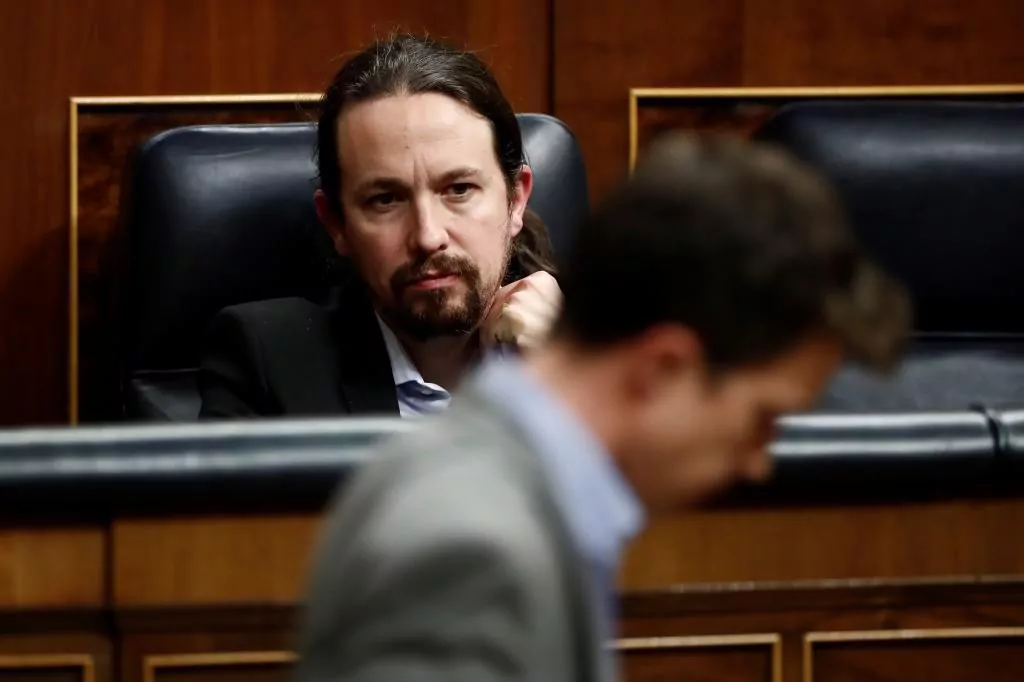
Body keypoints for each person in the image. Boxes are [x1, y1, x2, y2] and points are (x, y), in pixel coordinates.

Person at [293, 133, 911, 682]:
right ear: (663, 368)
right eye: (762, 418)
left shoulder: (510, 490)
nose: (758, 462)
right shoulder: (472, 546)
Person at [198, 34, 562, 418]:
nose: (428, 237)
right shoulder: (268, 362)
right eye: (385, 200)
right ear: (336, 223)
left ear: (515, 199)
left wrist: (565, 373)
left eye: (459, 190)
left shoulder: (590, 350)